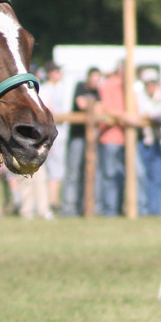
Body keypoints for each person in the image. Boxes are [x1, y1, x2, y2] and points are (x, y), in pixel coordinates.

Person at [60, 67, 101, 216]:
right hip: (77, 137)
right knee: (73, 172)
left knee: (89, 173)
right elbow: (82, 104)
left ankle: (84, 206)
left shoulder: (98, 91)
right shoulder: (80, 87)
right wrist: (94, 106)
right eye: (94, 78)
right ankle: (68, 208)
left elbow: (100, 108)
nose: (96, 82)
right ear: (88, 78)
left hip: (91, 139)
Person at [95, 62, 129, 216]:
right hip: (110, 137)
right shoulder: (108, 85)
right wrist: (125, 117)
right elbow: (106, 108)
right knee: (109, 175)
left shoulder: (129, 88)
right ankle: (109, 210)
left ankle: (119, 208)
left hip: (126, 138)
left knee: (121, 175)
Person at [134, 68, 161, 216]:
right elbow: (142, 114)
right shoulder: (138, 97)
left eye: (153, 83)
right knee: (141, 175)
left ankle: (155, 209)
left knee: (157, 176)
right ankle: (143, 209)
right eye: (148, 83)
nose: (151, 86)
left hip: (157, 141)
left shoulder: (160, 98)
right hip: (143, 140)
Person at [37, 61, 67, 214]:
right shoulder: (46, 89)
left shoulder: (59, 89)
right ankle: (50, 202)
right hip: (50, 133)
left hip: (60, 133)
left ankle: (53, 201)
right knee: (50, 169)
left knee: (57, 169)